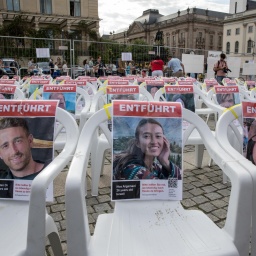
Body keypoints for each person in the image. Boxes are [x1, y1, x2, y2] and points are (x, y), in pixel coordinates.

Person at [113, 118, 181, 180]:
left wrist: (165, 161)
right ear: (138, 143)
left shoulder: (153, 166)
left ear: (164, 140)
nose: (154, 142)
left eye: (158, 136)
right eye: (147, 136)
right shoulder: (138, 172)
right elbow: (171, 190)